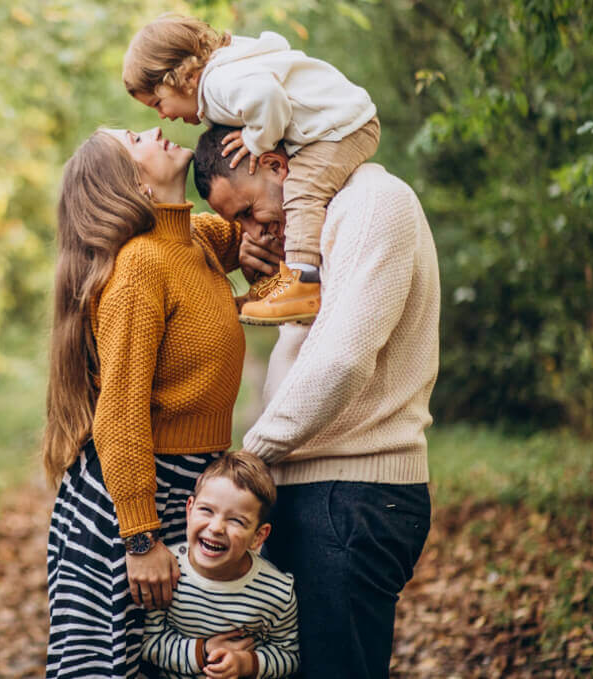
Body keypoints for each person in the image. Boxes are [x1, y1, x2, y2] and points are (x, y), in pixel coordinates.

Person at [193, 123, 439, 678]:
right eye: (237, 223)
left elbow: (343, 362)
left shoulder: (374, 204)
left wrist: (249, 459)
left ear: (275, 165)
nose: (254, 228)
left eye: (250, 210)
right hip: (316, 492)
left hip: (351, 496)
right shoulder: (324, 227)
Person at [43, 127, 256, 679]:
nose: (157, 129)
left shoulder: (194, 241)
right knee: (115, 667)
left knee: (187, 664)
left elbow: (258, 226)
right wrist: (140, 538)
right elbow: (118, 415)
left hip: (187, 489)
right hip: (132, 504)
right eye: (135, 138)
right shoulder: (140, 266)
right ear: (131, 183)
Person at [122, 14, 380, 326]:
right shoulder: (224, 78)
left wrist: (256, 140)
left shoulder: (218, 84)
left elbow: (268, 96)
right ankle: (278, 287)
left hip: (341, 126)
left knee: (302, 194)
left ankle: (302, 286)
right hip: (337, 124)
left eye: (157, 103)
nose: (162, 116)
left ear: (180, 78)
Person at [140, 452, 298, 679]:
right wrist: (202, 651)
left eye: (236, 520)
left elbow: (288, 655)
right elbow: (148, 643)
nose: (216, 528)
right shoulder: (167, 572)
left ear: (258, 536)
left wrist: (246, 664)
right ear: (189, 509)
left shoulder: (277, 592)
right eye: (207, 510)